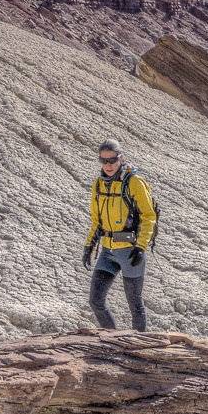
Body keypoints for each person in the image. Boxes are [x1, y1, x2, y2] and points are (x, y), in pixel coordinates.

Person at [82, 139, 157, 332]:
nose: (108, 165)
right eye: (103, 161)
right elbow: (96, 220)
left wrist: (141, 248)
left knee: (135, 306)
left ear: (120, 158)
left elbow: (149, 216)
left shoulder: (134, 183)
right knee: (96, 301)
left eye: (112, 160)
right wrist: (89, 247)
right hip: (108, 252)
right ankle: (113, 342)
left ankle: (139, 350)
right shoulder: (98, 184)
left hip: (130, 252)